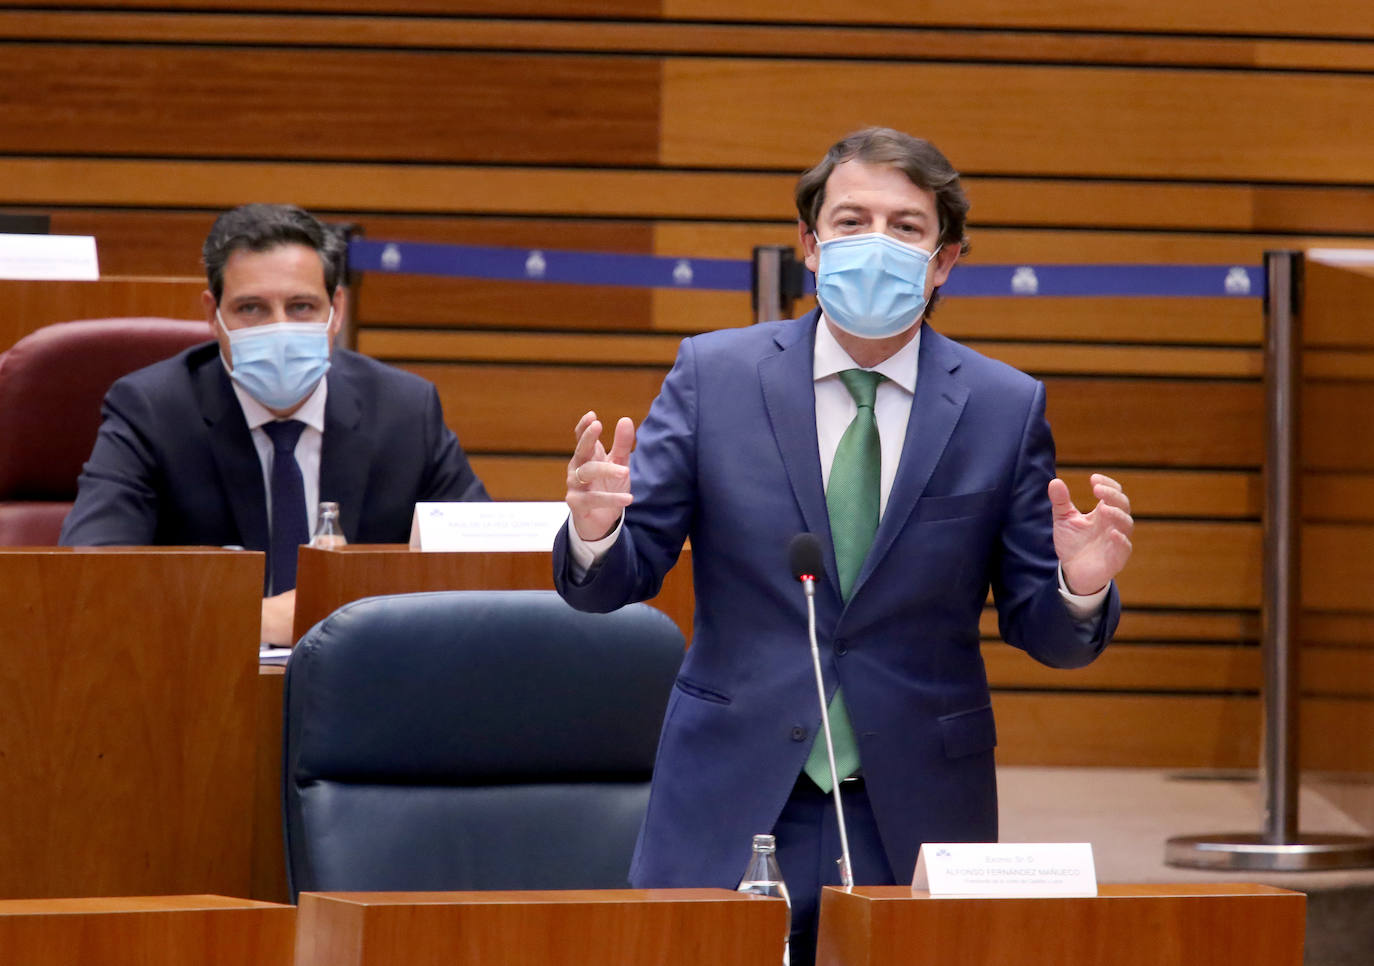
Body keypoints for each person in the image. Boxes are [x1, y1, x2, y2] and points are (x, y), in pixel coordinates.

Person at [552, 128, 1132, 966]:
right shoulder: (714, 376)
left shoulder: (1004, 407)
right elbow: (612, 583)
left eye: (905, 227)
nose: (876, 244)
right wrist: (598, 530)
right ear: (810, 246)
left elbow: (1045, 632)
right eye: (852, 219)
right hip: (732, 788)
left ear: (944, 261)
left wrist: (1078, 588)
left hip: (917, 804)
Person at [61, 203, 488, 643]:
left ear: (336, 309)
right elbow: (94, 575)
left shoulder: (403, 410)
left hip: (369, 678)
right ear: (213, 315)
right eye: (252, 308)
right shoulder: (152, 411)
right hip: (207, 677)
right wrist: (254, 617)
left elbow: (484, 563)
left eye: (301, 306)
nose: (279, 328)